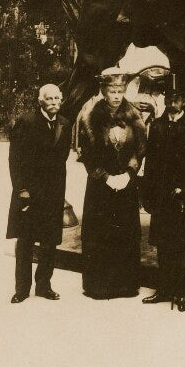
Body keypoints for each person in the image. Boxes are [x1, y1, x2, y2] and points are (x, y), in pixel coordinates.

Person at [141, 78, 185, 311]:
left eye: (177, 99)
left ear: (184, 102)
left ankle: (182, 293)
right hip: (161, 197)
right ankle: (164, 289)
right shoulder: (157, 126)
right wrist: (148, 193)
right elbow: (149, 162)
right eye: (169, 99)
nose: (172, 103)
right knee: (162, 245)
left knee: (181, 247)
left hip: (183, 199)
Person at [78, 68, 146, 300]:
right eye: (112, 91)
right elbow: (86, 153)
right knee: (100, 234)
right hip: (100, 186)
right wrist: (106, 177)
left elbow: (139, 150)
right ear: (104, 91)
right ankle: (99, 286)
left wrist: (128, 174)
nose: (116, 96)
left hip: (126, 185)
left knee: (125, 233)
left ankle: (125, 285)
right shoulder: (90, 114)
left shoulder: (134, 114)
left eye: (120, 91)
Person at [7, 84, 72, 303]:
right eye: (49, 99)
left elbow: (61, 160)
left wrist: (58, 192)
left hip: (53, 193)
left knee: (49, 241)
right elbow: (15, 160)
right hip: (30, 193)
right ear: (40, 101)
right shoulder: (26, 122)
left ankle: (44, 286)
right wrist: (22, 190)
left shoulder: (65, 124)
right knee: (25, 241)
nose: (54, 102)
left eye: (57, 98)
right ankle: (22, 289)